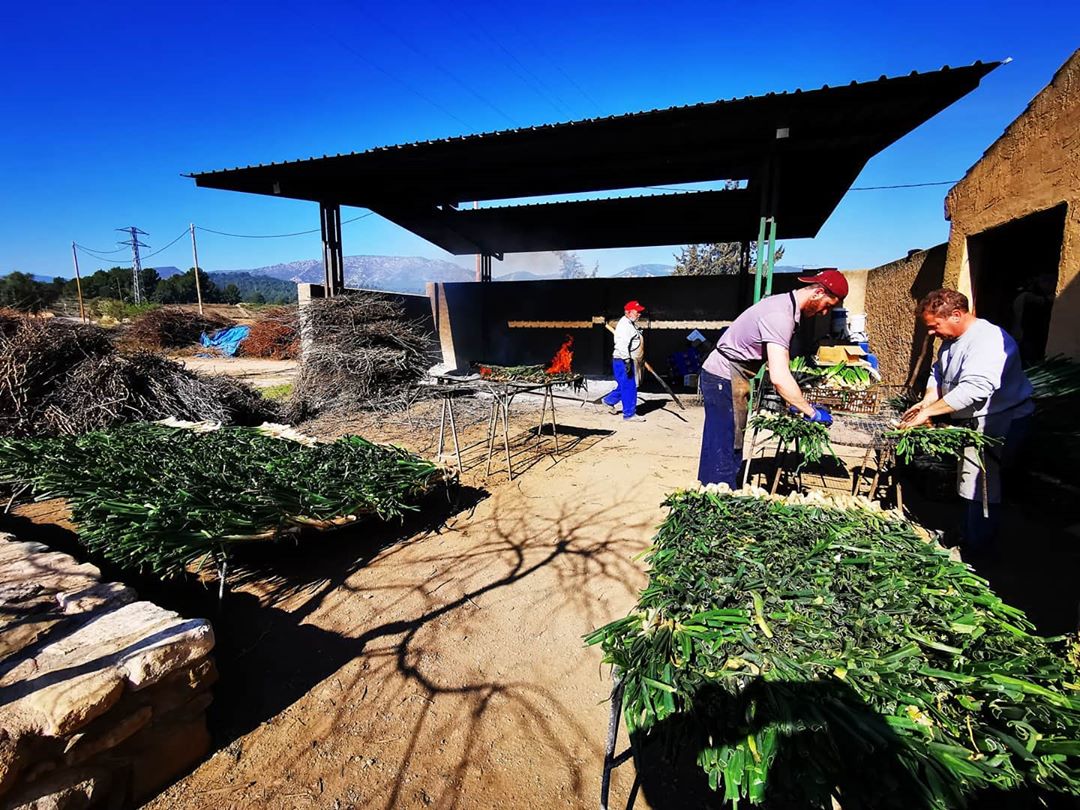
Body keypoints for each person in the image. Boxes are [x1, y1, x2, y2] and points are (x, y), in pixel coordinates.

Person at [899, 289, 1034, 555]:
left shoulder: (988, 340)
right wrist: (927, 401)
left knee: (982, 484)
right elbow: (939, 372)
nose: (931, 332)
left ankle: (977, 547)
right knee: (969, 478)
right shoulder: (952, 339)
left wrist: (929, 413)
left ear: (956, 315)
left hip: (998, 420)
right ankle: (968, 531)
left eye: (935, 325)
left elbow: (975, 389)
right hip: (974, 420)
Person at [697, 270, 847, 487]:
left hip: (733, 374)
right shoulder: (780, 315)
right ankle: (717, 493)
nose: (825, 313)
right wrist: (810, 412)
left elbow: (777, 362)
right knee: (724, 441)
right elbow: (779, 376)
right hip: (723, 375)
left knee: (731, 438)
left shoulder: (786, 307)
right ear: (818, 293)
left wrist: (794, 400)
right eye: (827, 305)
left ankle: (720, 488)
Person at [603, 300, 647, 422]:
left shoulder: (630, 323)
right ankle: (629, 414)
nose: (639, 314)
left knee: (625, 384)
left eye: (640, 312)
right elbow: (622, 345)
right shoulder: (625, 326)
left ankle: (609, 400)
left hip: (625, 359)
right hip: (623, 360)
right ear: (628, 312)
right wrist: (627, 361)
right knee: (629, 387)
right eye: (637, 312)